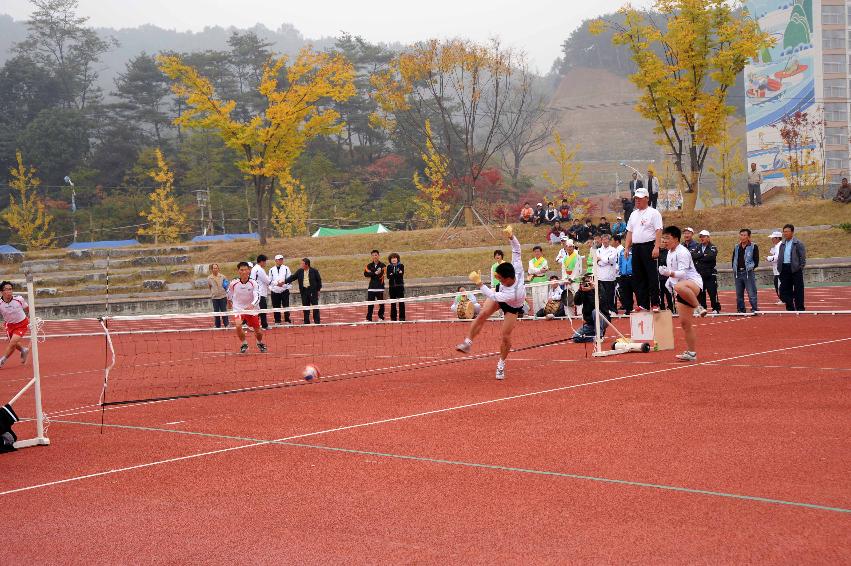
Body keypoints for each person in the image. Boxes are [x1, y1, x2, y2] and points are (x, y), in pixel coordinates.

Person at [456, 225, 526, 380]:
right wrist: (511, 236)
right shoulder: (515, 267)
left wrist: (479, 283)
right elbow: (517, 249)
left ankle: (501, 363)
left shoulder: (513, 292)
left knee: (505, 336)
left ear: (508, 279)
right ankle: (467, 342)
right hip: (499, 293)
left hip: (512, 306)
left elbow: (494, 297)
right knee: (482, 314)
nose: (498, 279)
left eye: (500, 278)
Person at [658, 226, 706, 362]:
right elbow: (674, 274)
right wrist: (669, 280)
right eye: (663, 238)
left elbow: (683, 273)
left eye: (667, 238)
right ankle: (691, 353)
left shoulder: (682, 252)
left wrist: (669, 273)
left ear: (676, 239)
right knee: (685, 324)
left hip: (693, 284)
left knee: (679, 285)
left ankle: (699, 307)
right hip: (682, 290)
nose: (664, 241)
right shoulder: (669, 253)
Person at [623, 187, 663, 312]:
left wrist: (657, 246)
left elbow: (658, 230)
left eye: (640, 198)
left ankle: (655, 303)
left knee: (651, 275)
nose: (637, 201)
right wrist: (626, 247)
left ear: (647, 199)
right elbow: (630, 231)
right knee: (638, 277)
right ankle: (643, 303)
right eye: (636, 199)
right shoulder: (633, 214)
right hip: (636, 248)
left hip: (649, 246)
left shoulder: (654, 213)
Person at [227, 262, 267, 353]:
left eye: (245, 270)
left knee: (257, 330)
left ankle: (259, 342)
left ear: (249, 270)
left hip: (252, 309)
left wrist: (252, 305)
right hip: (238, 308)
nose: (244, 272)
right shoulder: (233, 283)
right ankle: (244, 343)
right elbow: (229, 293)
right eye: (241, 270)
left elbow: (257, 296)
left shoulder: (253, 283)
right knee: (238, 326)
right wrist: (229, 302)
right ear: (238, 271)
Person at [777, 224, 806, 311]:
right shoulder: (782, 244)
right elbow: (780, 256)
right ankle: (790, 307)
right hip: (784, 268)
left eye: (787, 231)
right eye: (784, 232)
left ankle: (800, 308)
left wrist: (800, 267)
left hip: (795, 269)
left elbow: (802, 257)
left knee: (798, 289)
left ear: (792, 232)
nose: (785, 233)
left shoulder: (798, 243)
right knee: (784, 289)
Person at [0, 281, 30, 367]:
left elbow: (28, 308)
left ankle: (2, 360)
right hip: (9, 325)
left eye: (10, 289)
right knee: (14, 343)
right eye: (6, 290)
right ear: (2, 292)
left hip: (22, 324)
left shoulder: (19, 299)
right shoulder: (0, 303)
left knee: (12, 343)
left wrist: (30, 316)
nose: (9, 291)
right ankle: (23, 350)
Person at [286, 258, 322, 324]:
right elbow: (293, 277)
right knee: (305, 307)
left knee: (315, 306)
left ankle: (317, 321)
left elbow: (319, 281)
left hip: (312, 291)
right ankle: (306, 321)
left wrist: (318, 290)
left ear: (307, 264)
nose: (301, 265)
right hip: (304, 291)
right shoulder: (300, 271)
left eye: (302, 263)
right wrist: (284, 281)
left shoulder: (314, 271)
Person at [732, 228, 759, 314]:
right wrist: (734, 267)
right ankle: (741, 309)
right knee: (739, 293)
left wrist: (750, 267)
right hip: (737, 273)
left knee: (751, 292)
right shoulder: (736, 247)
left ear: (749, 237)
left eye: (744, 235)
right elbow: (733, 258)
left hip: (748, 272)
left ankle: (754, 308)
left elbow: (756, 260)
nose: (742, 237)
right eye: (741, 235)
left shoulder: (753, 246)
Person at [693, 230, 721, 313]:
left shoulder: (713, 247)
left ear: (708, 237)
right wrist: (703, 255)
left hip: (710, 273)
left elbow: (711, 257)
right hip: (700, 273)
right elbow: (693, 256)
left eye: (704, 236)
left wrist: (699, 257)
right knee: (700, 293)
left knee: (712, 292)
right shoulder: (697, 246)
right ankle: (702, 308)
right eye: (701, 237)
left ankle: (715, 308)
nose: (702, 238)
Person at [595, 233, 618, 316]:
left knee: (610, 295)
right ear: (601, 241)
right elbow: (598, 262)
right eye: (603, 239)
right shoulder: (598, 250)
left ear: (609, 240)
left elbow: (611, 260)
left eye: (606, 239)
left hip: (610, 277)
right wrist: (605, 261)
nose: (605, 241)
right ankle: (604, 311)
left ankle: (612, 310)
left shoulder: (613, 250)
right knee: (602, 296)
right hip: (600, 277)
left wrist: (601, 259)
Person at [268, 254, 292, 325]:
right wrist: (272, 288)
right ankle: (277, 321)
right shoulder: (271, 270)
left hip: (284, 290)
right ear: (275, 260)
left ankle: (287, 320)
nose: (281, 260)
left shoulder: (286, 268)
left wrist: (284, 285)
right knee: (276, 306)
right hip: (275, 291)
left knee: (286, 305)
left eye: (281, 259)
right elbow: (269, 280)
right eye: (279, 259)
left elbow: (289, 278)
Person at [249, 255, 271, 330]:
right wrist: (276, 283)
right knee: (261, 310)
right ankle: (254, 326)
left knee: (261, 309)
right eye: (265, 262)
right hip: (259, 293)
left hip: (258, 293)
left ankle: (264, 325)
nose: (265, 263)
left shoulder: (255, 269)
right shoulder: (259, 269)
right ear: (261, 261)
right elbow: (267, 280)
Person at [364, 249, 386, 322]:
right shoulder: (369, 265)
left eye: (376, 255)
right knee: (370, 304)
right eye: (373, 255)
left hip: (380, 288)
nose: (374, 256)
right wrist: (375, 273)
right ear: (371, 256)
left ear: (378, 256)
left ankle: (381, 317)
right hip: (371, 288)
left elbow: (380, 275)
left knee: (381, 304)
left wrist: (373, 273)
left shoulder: (383, 265)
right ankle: (369, 318)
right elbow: (366, 274)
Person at [615, 235, 634, 314]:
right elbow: (620, 263)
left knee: (637, 292)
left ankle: (641, 308)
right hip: (624, 276)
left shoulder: (634, 251)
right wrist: (621, 272)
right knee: (626, 293)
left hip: (633, 275)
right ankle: (628, 309)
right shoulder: (622, 252)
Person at [207, 263, 230, 328]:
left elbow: (226, 285)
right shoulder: (209, 278)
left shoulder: (223, 276)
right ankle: (217, 325)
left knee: (224, 311)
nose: (215, 269)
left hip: (223, 296)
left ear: (218, 269)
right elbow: (209, 287)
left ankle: (226, 324)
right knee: (216, 312)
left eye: (216, 268)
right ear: (212, 269)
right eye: (214, 268)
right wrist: (213, 293)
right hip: (215, 297)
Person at [527, 245, 549, 313]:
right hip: (534, 280)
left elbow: (543, 269)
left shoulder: (544, 261)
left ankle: (544, 312)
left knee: (543, 297)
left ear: (541, 252)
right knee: (535, 297)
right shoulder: (531, 261)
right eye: (535, 251)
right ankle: (536, 313)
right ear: (533, 253)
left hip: (543, 280)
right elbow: (530, 271)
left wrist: (535, 270)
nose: (537, 253)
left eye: (538, 251)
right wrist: (540, 270)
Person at [765, 231, 783, 305]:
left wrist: (768, 258)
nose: (772, 239)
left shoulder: (779, 246)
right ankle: (783, 299)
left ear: (777, 238)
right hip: (777, 270)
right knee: (778, 284)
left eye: (773, 238)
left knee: (779, 285)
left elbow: (777, 257)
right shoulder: (777, 246)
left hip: (779, 270)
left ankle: (783, 299)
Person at [387, 252, 405, 321]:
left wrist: (393, 274)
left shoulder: (401, 265)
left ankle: (402, 317)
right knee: (393, 303)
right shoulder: (389, 267)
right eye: (392, 258)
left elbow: (401, 275)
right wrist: (396, 273)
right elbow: (389, 276)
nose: (394, 259)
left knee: (401, 302)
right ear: (390, 260)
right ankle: (393, 318)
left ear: (397, 259)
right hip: (392, 287)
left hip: (400, 286)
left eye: (395, 258)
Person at [657, 245, 675, 313]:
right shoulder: (655, 251)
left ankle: (671, 308)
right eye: (660, 242)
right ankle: (662, 308)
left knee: (669, 293)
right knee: (660, 294)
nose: (662, 244)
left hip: (667, 276)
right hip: (658, 277)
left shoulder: (669, 252)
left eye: (663, 242)